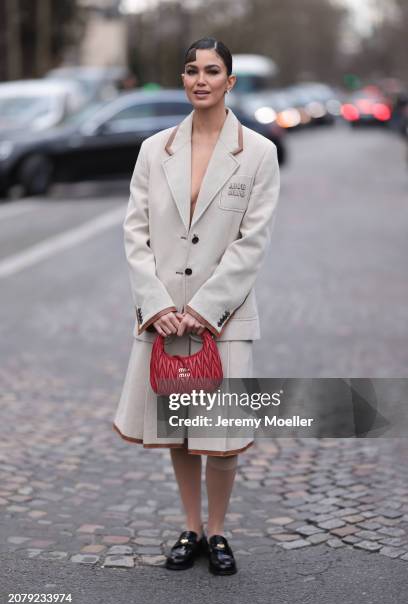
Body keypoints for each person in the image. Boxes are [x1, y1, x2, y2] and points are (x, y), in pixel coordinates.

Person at [113, 37, 280, 575]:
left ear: (230, 82)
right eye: (191, 70)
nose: (200, 79)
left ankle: (219, 531)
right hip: (163, 316)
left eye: (212, 70)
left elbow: (252, 243)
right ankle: (190, 528)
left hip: (223, 317)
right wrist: (157, 305)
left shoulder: (258, 153)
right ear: (183, 80)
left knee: (221, 436)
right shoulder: (153, 149)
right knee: (180, 427)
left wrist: (205, 308)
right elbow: (135, 232)